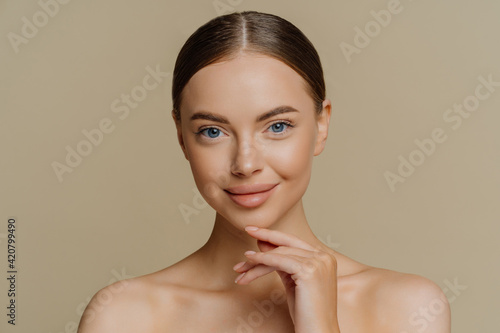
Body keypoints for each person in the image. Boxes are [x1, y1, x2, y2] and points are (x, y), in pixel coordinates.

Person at [78, 11, 451, 332]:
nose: (245, 164)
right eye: (212, 131)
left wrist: (321, 325)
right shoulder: (122, 315)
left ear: (322, 126)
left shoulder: (409, 309)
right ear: (181, 138)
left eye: (277, 126)